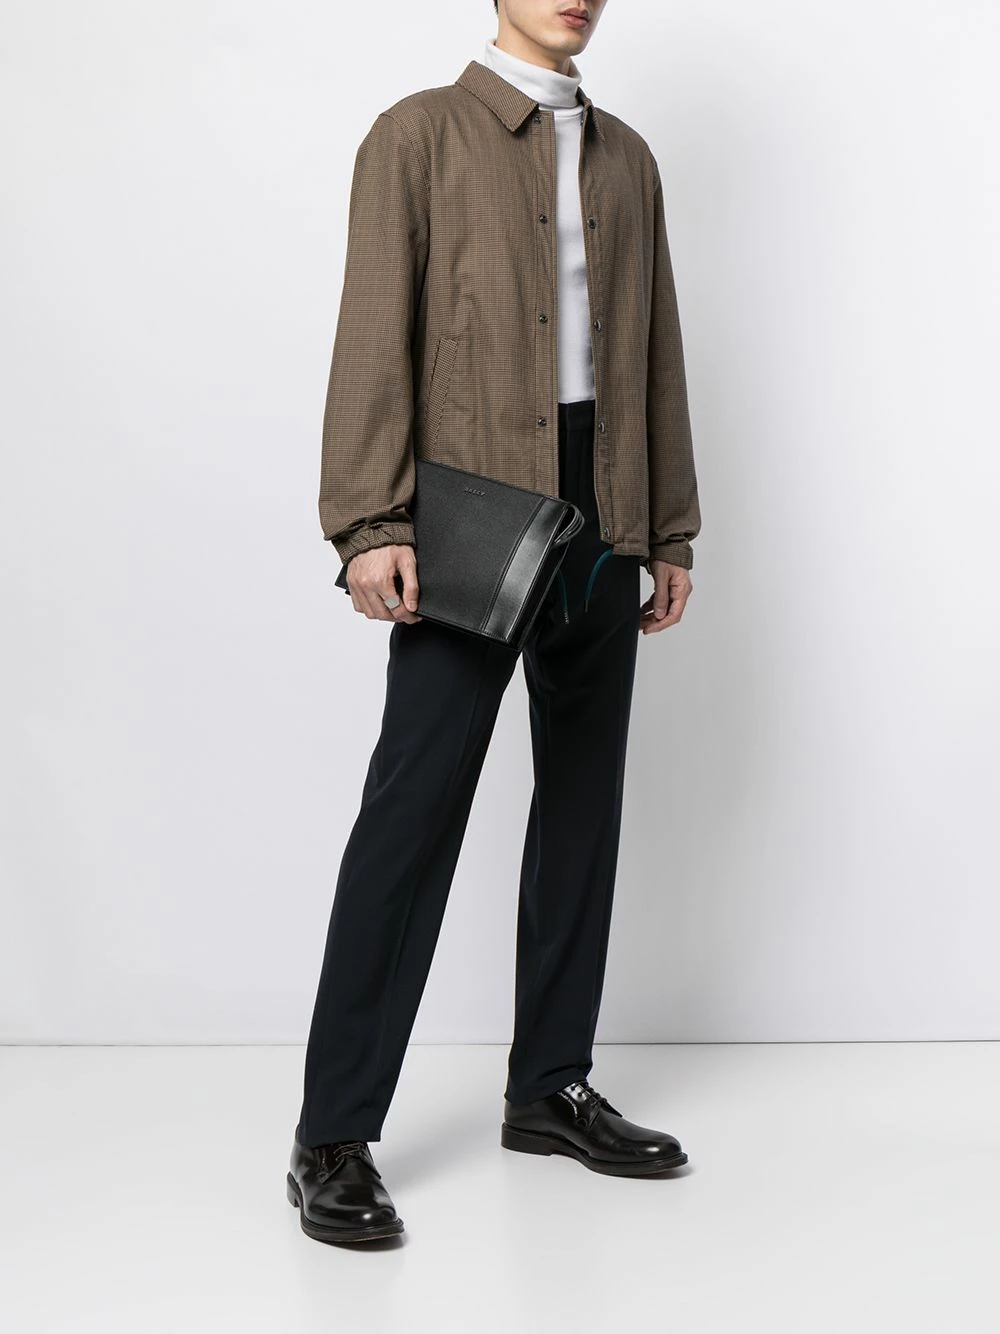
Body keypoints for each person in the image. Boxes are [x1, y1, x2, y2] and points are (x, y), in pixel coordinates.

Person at [287, 0, 702, 1245]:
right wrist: (370, 521)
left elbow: (655, 346)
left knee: (581, 808)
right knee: (411, 816)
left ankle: (549, 1087)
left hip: (604, 503)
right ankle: (331, 1134)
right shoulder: (416, 136)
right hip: (471, 511)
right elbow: (373, 336)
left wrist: (667, 527)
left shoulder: (626, 157)